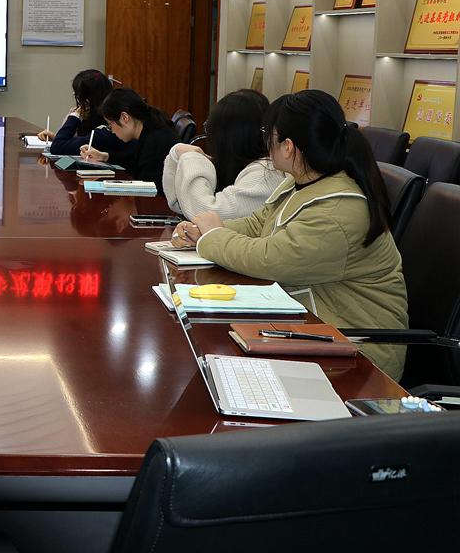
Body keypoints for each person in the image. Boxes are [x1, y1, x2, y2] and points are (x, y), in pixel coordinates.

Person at [171, 90, 407, 379]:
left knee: (218, 365)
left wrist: (212, 237)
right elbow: (258, 224)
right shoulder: (301, 182)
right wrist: (201, 231)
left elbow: (270, 258)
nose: (265, 142)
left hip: (359, 354)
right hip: (310, 326)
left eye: (268, 134)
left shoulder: (337, 211)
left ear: (288, 147)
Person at [162, 89, 283, 219]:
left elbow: (207, 215)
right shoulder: (244, 166)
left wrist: (192, 159)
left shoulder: (266, 174)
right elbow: (180, 204)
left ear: (227, 138)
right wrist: (176, 153)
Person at [80, 88, 179, 193]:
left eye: (110, 125)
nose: (112, 131)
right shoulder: (149, 129)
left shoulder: (155, 142)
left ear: (125, 117)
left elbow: (148, 189)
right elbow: (132, 160)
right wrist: (104, 156)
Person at [37, 69, 129, 157]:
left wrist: (74, 117)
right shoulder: (101, 122)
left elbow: (57, 147)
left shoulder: (104, 131)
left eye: (77, 96)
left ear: (87, 102)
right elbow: (76, 143)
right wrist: (57, 138)